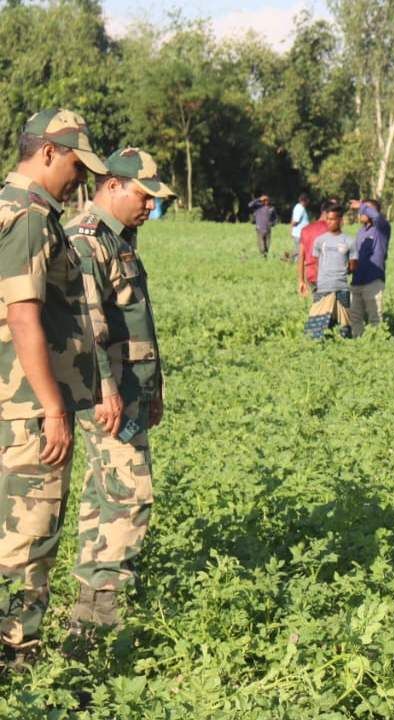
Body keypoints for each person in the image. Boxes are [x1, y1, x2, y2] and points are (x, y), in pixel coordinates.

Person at [0, 109, 106, 660]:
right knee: (27, 540)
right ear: (46, 152)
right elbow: (22, 316)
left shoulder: (10, 207)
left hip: (12, 403)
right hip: (27, 410)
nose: (80, 178)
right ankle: (18, 658)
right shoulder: (30, 216)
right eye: (74, 163)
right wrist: (54, 409)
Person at [62, 147, 172, 637]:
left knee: (104, 491)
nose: (150, 206)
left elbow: (135, 321)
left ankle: (91, 598)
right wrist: (107, 392)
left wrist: (152, 388)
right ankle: (102, 607)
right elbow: (89, 329)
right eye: (144, 196)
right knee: (130, 492)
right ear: (112, 185)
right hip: (104, 392)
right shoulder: (87, 241)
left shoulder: (119, 238)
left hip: (127, 390)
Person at [305, 204, 357, 340]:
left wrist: (343, 271)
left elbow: (353, 265)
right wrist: (320, 278)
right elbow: (315, 263)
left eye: (333, 219)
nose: (329, 222)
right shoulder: (320, 241)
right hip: (323, 288)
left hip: (341, 288)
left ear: (340, 220)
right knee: (316, 327)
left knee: (344, 326)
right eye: (327, 219)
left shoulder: (350, 241)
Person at [349, 198, 390, 337]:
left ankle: (377, 346)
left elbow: (377, 217)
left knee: (375, 318)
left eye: (366, 209)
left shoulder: (382, 229)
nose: (361, 212)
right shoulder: (361, 232)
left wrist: (361, 205)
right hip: (357, 280)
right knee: (354, 317)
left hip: (373, 281)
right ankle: (358, 343)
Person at [296, 200, 333, 298]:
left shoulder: (306, 229)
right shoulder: (331, 230)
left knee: (319, 306)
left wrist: (301, 281)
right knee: (338, 309)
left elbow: (301, 257)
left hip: (312, 276)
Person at [247, 194, 277, 259]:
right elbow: (249, 205)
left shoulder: (271, 208)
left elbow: (275, 218)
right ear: (262, 201)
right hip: (259, 229)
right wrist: (259, 199)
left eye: (267, 200)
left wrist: (273, 223)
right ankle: (262, 256)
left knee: (267, 245)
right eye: (264, 200)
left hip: (268, 229)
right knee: (261, 246)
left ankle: (265, 256)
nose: (266, 201)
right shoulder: (258, 207)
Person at [289, 192, 310, 262]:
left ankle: (293, 260)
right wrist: (292, 229)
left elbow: (293, 218)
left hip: (299, 233)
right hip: (299, 233)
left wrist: (291, 230)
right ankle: (290, 259)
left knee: (298, 249)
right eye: (308, 200)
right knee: (299, 250)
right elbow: (295, 221)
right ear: (305, 200)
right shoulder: (300, 208)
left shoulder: (298, 206)